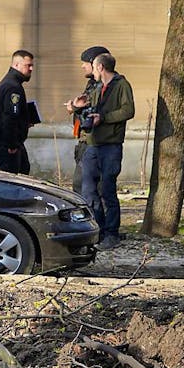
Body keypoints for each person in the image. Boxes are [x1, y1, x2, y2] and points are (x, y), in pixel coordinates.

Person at [72, 53, 134, 251]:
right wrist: (76, 106)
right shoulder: (98, 87)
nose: (92, 71)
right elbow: (89, 107)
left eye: (93, 67)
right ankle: (95, 230)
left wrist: (104, 118)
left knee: (107, 190)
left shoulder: (122, 85)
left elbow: (128, 111)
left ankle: (111, 234)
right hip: (93, 144)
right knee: (88, 189)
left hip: (110, 145)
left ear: (100, 67)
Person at [64, 46, 109, 196]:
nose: (82, 66)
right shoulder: (92, 83)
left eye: (85, 62)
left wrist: (77, 108)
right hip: (86, 141)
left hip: (95, 143)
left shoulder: (106, 85)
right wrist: (75, 107)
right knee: (81, 187)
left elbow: (98, 112)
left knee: (88, 188)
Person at [0, 50, 35, 174]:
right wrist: (12, 144)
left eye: (32, 65)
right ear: (16, 65)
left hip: (9, 142)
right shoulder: (12, 87)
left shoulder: (11, 83)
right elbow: (10, 117)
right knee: (12, 178)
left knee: (23, 170)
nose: (31, 69)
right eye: (28, 65)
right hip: (7, 144)